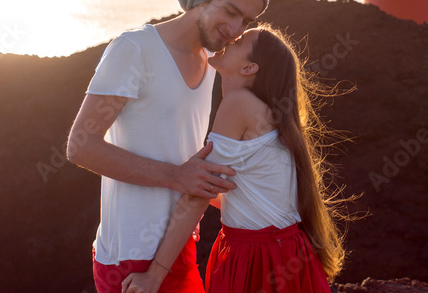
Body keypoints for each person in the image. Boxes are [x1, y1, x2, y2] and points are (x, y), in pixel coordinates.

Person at [67, 0, 270, 293]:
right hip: (130, 256)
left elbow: (188, 161)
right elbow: (81, 146)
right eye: (231, 11)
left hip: (179, 246)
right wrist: (177, 177)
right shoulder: (134, 49)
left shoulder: (210, 63)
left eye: (246, 21)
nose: (235, 30)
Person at [120, 24, 346, 293]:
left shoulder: (239, 104)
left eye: (240, 41)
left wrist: (154, 275)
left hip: (258, 256)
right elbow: (236, 194)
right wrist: (177, 177)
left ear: (249, 68)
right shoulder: (265, 113)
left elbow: (202, 193)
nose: (231, 38)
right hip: (284, 251)